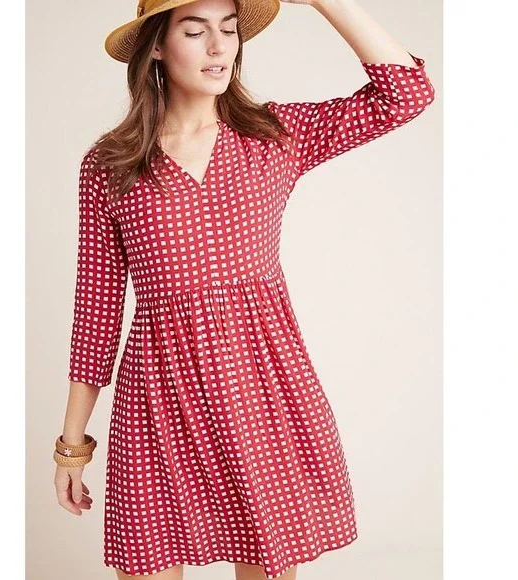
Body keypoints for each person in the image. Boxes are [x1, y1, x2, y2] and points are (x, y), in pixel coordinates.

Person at [53, 0, 435, 578]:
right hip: (158, 403)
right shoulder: (112, 164)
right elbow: (96, 309)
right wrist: (72, 444)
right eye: (195, 31)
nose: (218, 47)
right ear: (155, 46)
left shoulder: (273, 136)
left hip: (260, 396)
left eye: (229, 31)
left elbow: (406, 93)